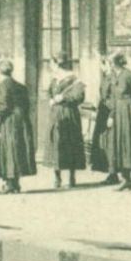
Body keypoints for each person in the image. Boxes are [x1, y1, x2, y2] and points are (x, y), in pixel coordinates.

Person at [102, 49, 131, 194]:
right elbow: (108, 98)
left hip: (129, 114)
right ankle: (126, 179)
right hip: (117, 113)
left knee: (129, 146)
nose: (107, 65)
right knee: (117, 146)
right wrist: (111, 115)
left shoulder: (128, 75)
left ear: (114, 62)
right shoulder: (111, 76)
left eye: (109, 62)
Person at [43, 53, 86, 188]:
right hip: (55, 114)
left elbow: (79, 96)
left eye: (52, 64)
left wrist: (64, 99)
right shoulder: (54, 79)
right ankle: (57, 177)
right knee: (56, 143)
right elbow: (49, 92)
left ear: (58, 64)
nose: (51, 67)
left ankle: (72, 177)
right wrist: (51, 98)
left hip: (69, 113)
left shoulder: (74, 78)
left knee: (70, 144)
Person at [0, 61, 37, 194]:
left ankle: (10, 184)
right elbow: (27, 106)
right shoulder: (21, 86)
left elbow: (3, 105)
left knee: (9, 150)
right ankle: (16, 183)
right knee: (18, 149)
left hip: (10, 120)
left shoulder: (3, 85)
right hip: (22, 120)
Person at [91, 51, 117, 184]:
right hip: (103, 112)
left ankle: (113, 173)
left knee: (111, 143)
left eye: (104, 64)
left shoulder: (113, 78)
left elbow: (114, 98)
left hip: (110, 113)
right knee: (105, 142)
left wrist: (111, 114)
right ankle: (111, 172)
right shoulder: (106, 77)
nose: (102, 67)